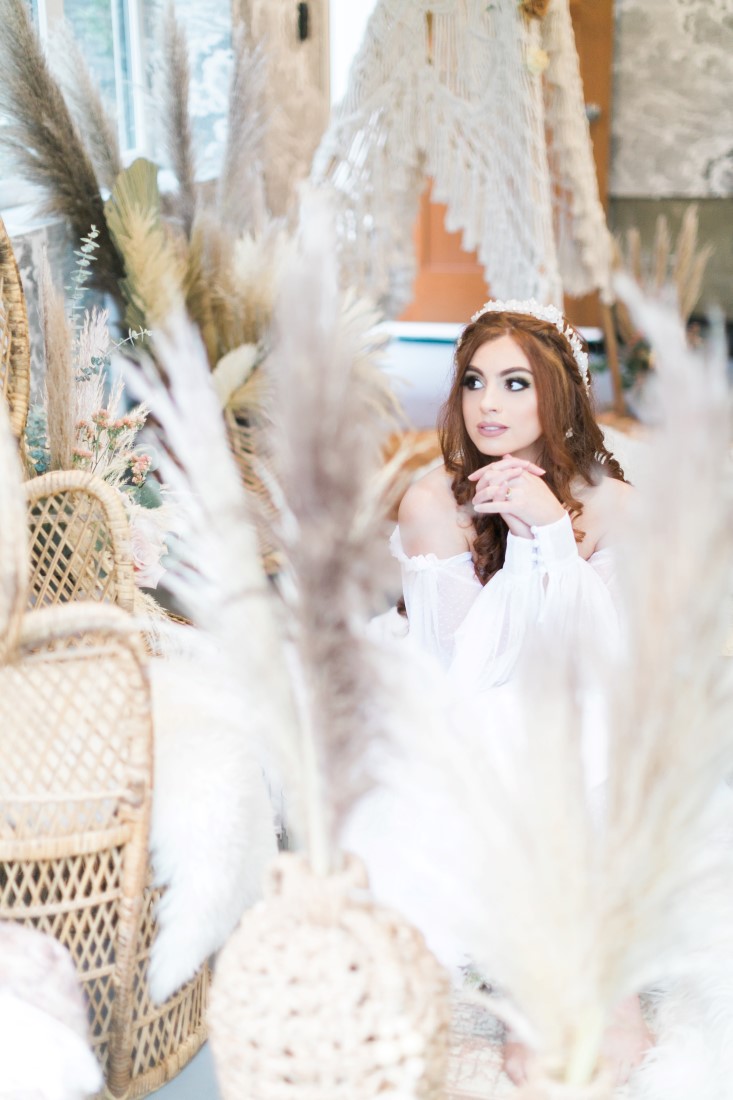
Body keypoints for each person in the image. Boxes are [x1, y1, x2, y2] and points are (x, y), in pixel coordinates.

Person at [382, 299, 652, 1085]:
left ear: (557, 398)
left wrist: (553, 535)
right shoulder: (432, 503)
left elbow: (603, 657)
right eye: (472, 382)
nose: (487, 405)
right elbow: (469, 675)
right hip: (466, 704)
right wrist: (539, 550)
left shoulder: (613, 505)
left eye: (513, 384)